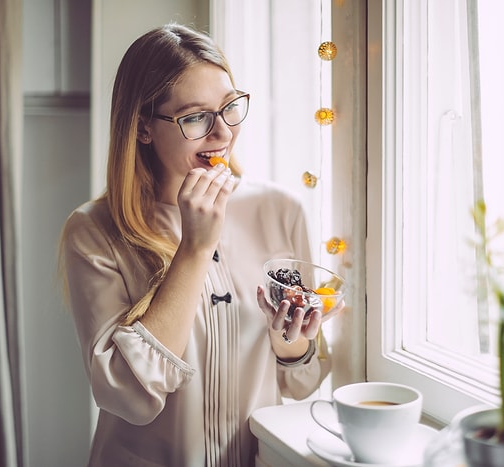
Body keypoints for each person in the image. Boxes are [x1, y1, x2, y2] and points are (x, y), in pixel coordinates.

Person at [59, 23, 336, 466]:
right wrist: (194, 250)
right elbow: (128, 397)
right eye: (195, 117)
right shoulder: (93, 232)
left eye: (229, 107)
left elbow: (301, 386)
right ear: (144, 128)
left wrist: (292, 346)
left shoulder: (281, 210)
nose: (222, 133)